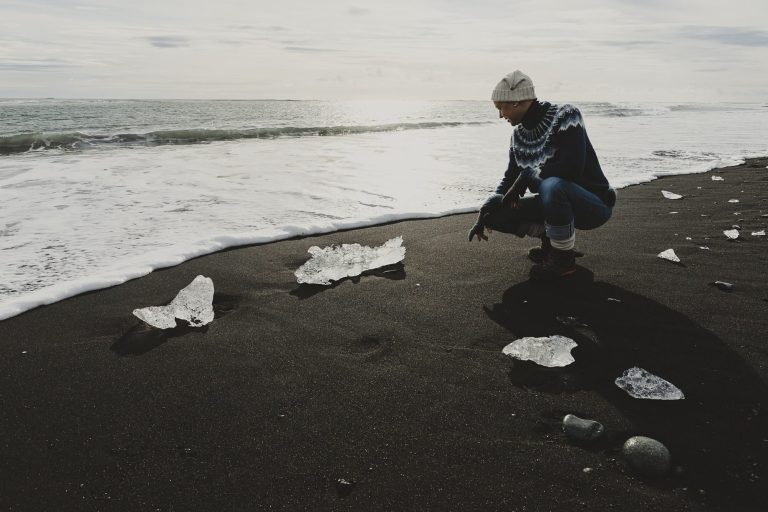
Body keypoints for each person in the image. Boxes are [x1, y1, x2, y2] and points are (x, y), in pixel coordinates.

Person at [468, 70, 616, 280]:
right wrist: (487, 208)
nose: (500, 115)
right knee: (495, 214)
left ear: (518, 101)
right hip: (553, 205)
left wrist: (528, 176)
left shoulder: (566, 115)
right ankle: (552, 244)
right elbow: (510, 177)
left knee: (553, 185)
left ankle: (563, 258)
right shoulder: (518, 136)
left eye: (502, 107)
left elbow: (571, 168)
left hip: (593, 205)